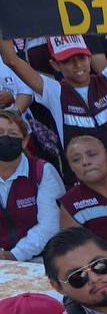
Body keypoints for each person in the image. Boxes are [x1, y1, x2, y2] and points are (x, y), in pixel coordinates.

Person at [0, 33, 107, 167]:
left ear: (89, 57)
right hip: (84, 184)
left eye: (81, 57)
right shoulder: (54, 92)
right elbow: (12, 61)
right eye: (67, 60)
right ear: (55, 65)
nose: (77, 65)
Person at [0, 109, 63, 262]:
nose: (5, 138)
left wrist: (15, 255)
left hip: (42, 258)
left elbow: (50, 226)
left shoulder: (42, 171)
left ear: (25, 141)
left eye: (12, 134)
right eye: (0, 133)